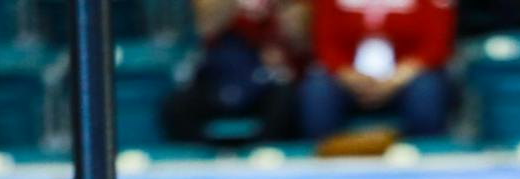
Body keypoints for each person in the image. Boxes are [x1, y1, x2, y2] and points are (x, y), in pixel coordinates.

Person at [299, 0, 453, 139]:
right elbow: (325, 45)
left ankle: (428, 154)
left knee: (426, 89)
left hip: (406, 78)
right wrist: (350, 76)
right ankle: (321, 154)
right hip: (347, 79)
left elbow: (436, 45)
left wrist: (396, 79)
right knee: (317, 90)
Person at [162, 0, 308, 144]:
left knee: (284, 98)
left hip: (260, 86)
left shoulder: (273, 15)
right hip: (215, 85)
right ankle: (202, 153)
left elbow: (296, 44)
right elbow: (204, 31)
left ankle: (263, 149)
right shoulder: (210, 21)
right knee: (176, 105)